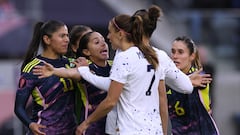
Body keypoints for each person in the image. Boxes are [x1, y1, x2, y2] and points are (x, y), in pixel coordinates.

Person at [75, 14, 168, 135]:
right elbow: (181, 88)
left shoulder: (124, 58)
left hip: (132, 129)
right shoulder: (153, 55)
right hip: (154, 129)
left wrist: (86, 123)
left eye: (109, 32)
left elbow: (110, 101)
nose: (108, 37)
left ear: (120, 34)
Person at [34, 31, 112, 134]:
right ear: (87, 52)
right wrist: (54, 71)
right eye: (97, 42)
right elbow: (72, 73)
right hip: (92, 129)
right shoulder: (86, 69)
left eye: (104, 41)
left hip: (116, 128)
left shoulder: (115, 66)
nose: (103, 44)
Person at [14, 20, 78, 135]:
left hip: (71, 130)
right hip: (44, 131)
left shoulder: (72, 64)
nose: (67, 40)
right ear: (47, 39)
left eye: (67, 35)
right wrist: (31, 124)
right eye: (62, 36)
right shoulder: (32, 68)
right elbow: (18, 108)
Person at [167, 36, 219, 135]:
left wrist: (186, 81)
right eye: (173, 52)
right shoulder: (169, 79)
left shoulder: (199, 77)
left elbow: (195, 84)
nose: (175, 56)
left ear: (192, 56)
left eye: (180, 52)